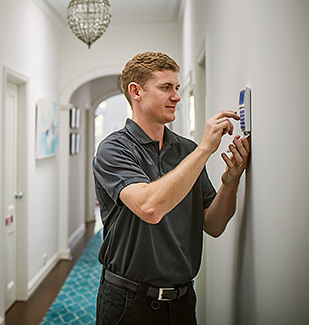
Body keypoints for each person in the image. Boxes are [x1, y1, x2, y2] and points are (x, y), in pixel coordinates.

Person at [93, 52, 250, 325]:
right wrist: (204, 149)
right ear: (136, 92)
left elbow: (213, 225)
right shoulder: (113, 149)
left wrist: (230, 182)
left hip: (183, 301)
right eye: (166, 87)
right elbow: (149, 207)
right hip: (128, 302)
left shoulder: (185, 150)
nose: (176, 96)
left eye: (176, 88)